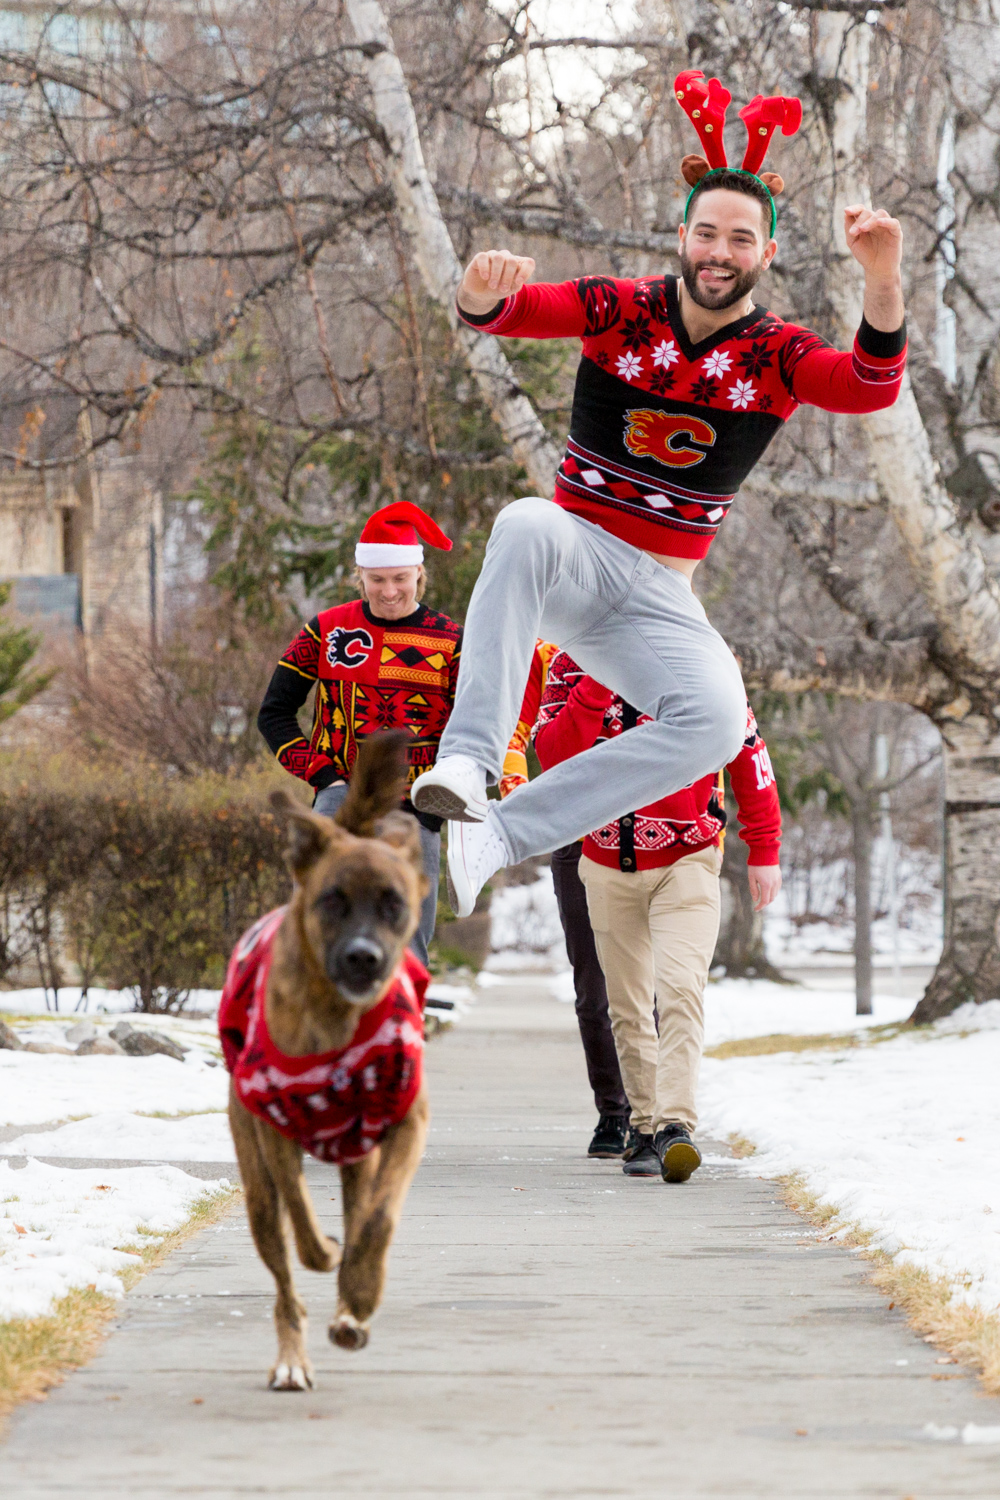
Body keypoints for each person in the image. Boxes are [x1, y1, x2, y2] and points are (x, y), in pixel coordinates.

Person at [410, 71, 906, 921]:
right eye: (706, 233)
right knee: (526, 521)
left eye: (740, 239)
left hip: (659, 597)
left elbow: (870, 385)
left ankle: (497, 836)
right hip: (575, 557)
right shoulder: (621, 308)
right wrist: (480, 290)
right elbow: (502, 313)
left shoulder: (778, 354)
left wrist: (882, 276)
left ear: (767, 254)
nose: (719, 252)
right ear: (682, 236)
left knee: (715, 719)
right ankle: (467, 763)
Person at [533, 652, 781, 1183]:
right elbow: (553, 757)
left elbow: (747, 749)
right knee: (626, 1004)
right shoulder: (571, 664)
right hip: (604, 860)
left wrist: (764, 848)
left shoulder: (700, 655)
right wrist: (597, 681)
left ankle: (675, 1125)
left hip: (688, 858)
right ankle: (643, 1130)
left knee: (680, 990)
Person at [257, 502, 459, 967]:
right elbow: (274, 713)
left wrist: (434, 806)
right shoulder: (326, 631)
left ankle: (400, 1015)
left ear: (419, 573)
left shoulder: (452, 641)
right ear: (360, 576)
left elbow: (470, 730)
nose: (389, 591)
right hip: (338, 801)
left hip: (415, 808)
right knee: (317, 927)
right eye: (377, 579)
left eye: (400, 578)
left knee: (407, 942)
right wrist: (322, 776)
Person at [501, 641, 632, 1160]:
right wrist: (521, 795)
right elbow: (519, 732)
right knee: (593, 989)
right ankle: (613, 1112)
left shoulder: (662, 637)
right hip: (577, 832)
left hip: (653, 835)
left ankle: (657, 1114)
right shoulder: (549, 654)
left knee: (651, 988)